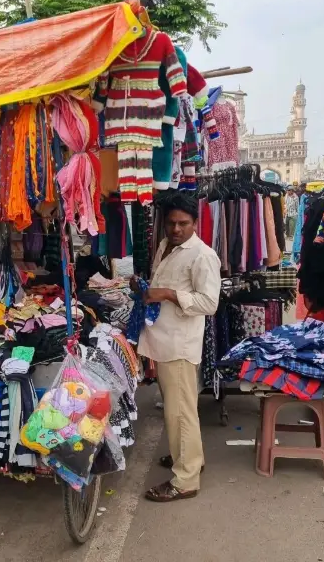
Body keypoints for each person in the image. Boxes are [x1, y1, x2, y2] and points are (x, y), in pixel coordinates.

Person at [135, 193, 221, 502]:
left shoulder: (202, 255)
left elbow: (210, 303)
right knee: (178, 408)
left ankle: (186, 480)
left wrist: (169, 294)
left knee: (180, 412)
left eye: (183, 223)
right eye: (171, 223)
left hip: (180, 344)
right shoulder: (165, 246)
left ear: (195, 223)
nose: (176, 229)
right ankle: (189, 460)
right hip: (165, 340)